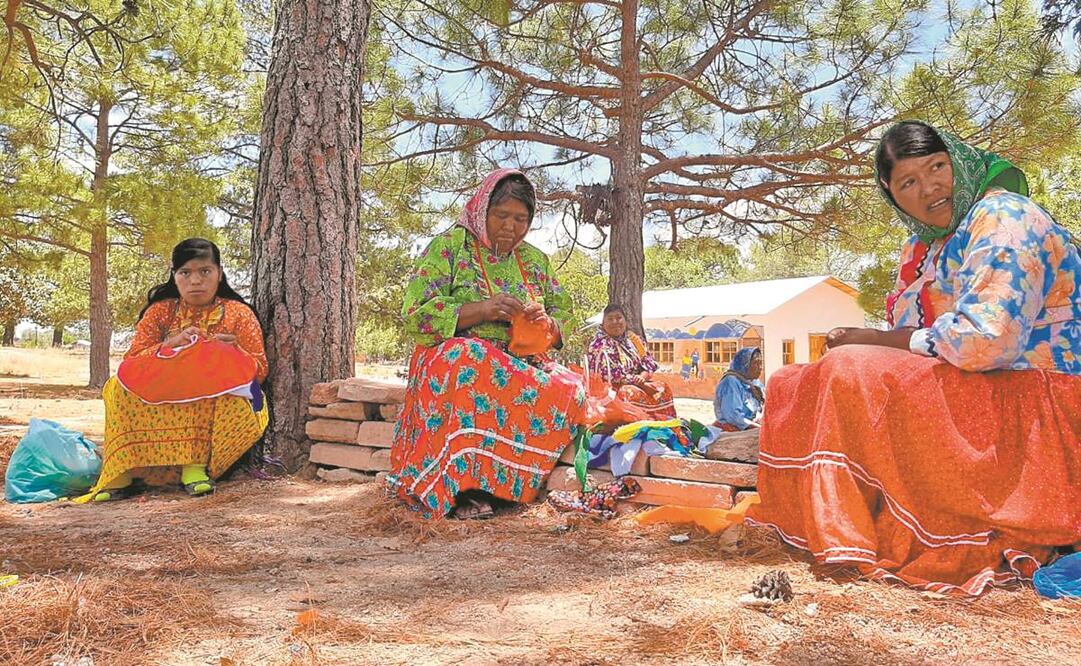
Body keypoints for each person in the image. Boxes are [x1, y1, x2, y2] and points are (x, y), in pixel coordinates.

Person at [748, 121, 1081, 595]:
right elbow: (924, 340)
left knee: (850, 367)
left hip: (1040, 406)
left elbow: (988, 342)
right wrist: (879, 342)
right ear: (891, 194)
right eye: (908, 182)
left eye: (937, 167)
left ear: (959, 161)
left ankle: (863, 532)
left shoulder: (1003, 216)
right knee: (792, 379)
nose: (930, 188)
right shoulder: (925, 247)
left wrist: (880, 342)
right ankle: (840, 521)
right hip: (980, 393)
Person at [386, 168, 585, 520]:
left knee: (571, 387)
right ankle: (461, 487)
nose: (511, 226)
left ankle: (509, 486)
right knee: (470, 358)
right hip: (458, 355)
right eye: (502, 215)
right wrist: (482, 310)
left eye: (521, 219)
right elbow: (417, 314)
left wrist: (547, 324)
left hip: (519, 360)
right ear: (482, 210)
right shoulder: (449, 247)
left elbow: (565, 315)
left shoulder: (535, 261)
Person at [79, 238, 269, 502]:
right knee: (115, 387)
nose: (195, 281)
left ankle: (193, 467)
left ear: (219, 274)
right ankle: (123, 470)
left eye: (205, 271)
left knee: (202, 386)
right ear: (174, 276)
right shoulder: (160, 313)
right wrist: (168, 345)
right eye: (185, 273)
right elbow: (132, 360)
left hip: (221, 394)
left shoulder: (239, 314)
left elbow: (260, 368)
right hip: (163, 386)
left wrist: (233, 353)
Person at [587, 304, 676, 419]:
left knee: (663, 388)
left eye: (619, 318)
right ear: (603, 323)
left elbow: (648, 363)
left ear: (625, 320)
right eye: (610, 319)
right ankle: (637, 424)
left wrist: (642, 377)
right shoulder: (599, 345)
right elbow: (612, 375)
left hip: (638, 382)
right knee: (629, 392)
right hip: (612, 388)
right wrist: (641, 384)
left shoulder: (634, 340)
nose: (615, 322)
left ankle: (663, 423)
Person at [713, 347, 763, 430]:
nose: (760, 367)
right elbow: (733, 417)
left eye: (760, 363)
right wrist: (760, 428)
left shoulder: (754, 383)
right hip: (733, 430)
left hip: (752, 426)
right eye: (755, 363)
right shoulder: (731, 382)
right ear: (745, 364)